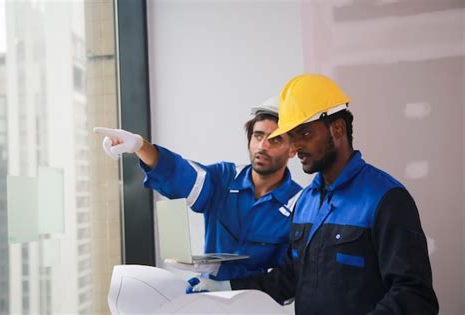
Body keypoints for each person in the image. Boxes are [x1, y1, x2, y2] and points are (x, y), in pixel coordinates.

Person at [186, 74, 439, 314]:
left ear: (337, 129)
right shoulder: (305, 202)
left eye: (305, 134)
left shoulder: (385, 199)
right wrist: (226, 288)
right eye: (292, 137)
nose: (296, 146)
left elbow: (414, 295)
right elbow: (288, 278)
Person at [94, 97, 302, 281]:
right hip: (209, 302)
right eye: (257, 136)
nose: (262, 146)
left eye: (275, 139)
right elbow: (179, 175)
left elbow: (286, 277)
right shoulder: (224, 178)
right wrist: (140, 146)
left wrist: (230, 282)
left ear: (293, 149)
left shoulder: (300, 205)